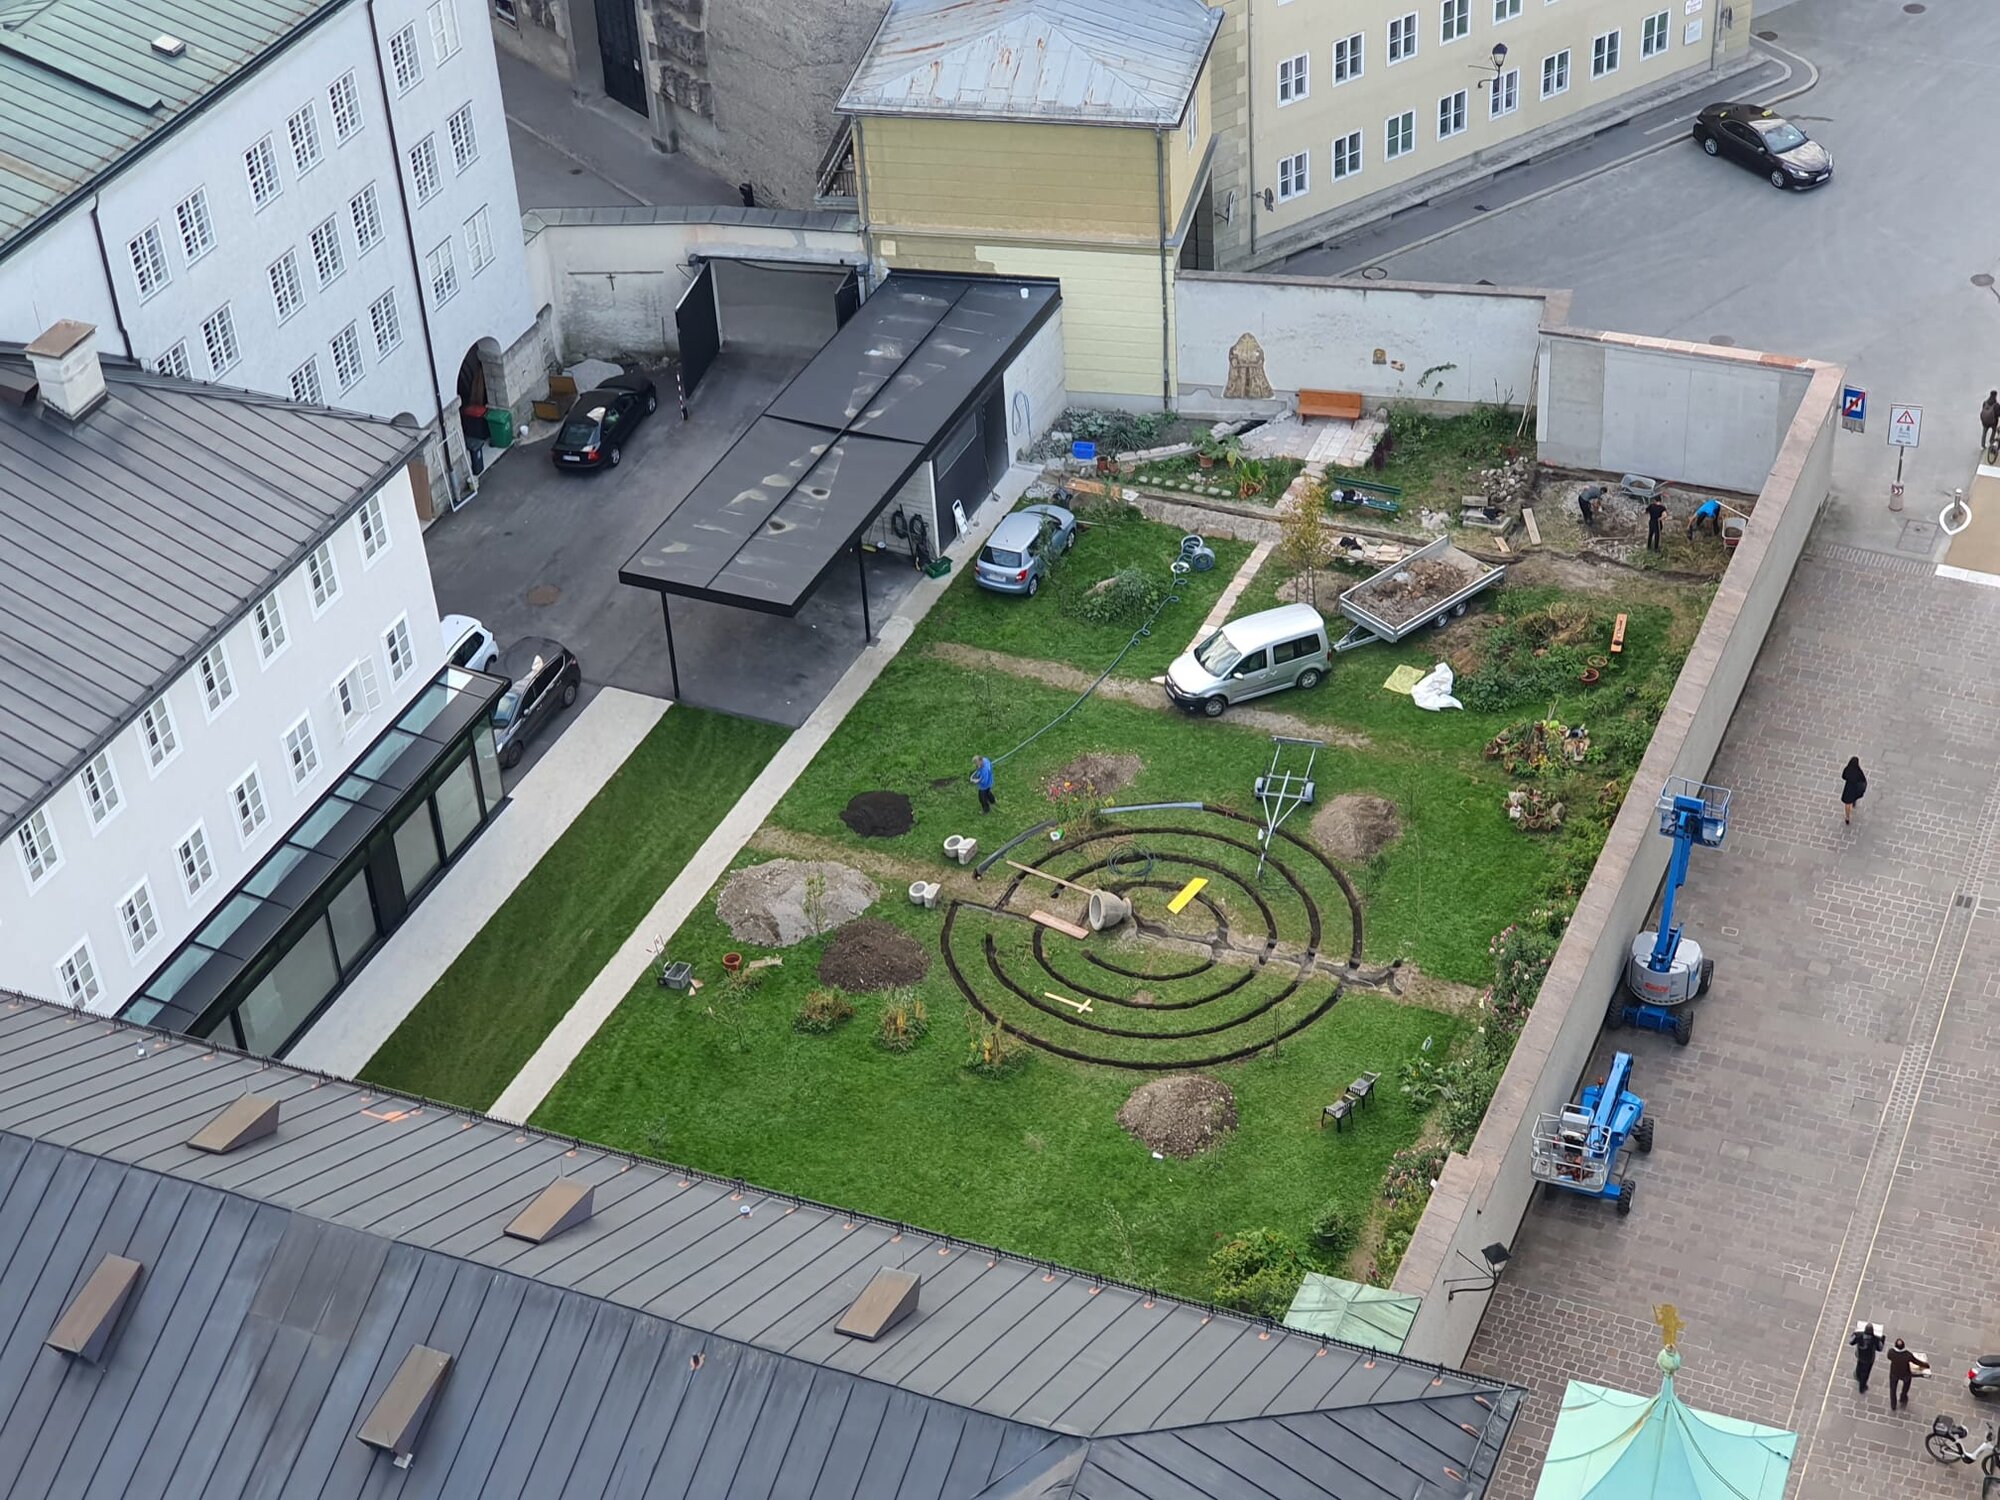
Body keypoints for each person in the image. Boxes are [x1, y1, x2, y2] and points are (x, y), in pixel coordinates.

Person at [1886, 1338, 1928, 1410]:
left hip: (1894, 1373)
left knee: (1893, 1389)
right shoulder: (1907, 1355)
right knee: (1906, 1386)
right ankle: (1903, 1397)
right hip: (1905, 1374)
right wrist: (1925, 1365)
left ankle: (1893, 1405)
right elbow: (1916, 1361)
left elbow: (1889, 1357)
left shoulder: (1891, 1352)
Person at [1849, 1323, 1884, 1394]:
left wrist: (1854, 1334)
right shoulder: (1875, 1339)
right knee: (1865, 1373)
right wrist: (1882, 1340)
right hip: (1869, 1358)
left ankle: (1858, 1376)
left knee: (1859, 1365)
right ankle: (1862, 1387)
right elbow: (1879, 1348)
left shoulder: (1859, 1336)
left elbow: (1851, 1342)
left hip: (1860, 1355)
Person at [1840, 757, 1867, 824]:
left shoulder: (1847, 769)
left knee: (1847, 803)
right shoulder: (1858, 771)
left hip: (1848, 788)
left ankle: (1847, 817)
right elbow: (1863, 779)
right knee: (1852, 799)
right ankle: (1853, 804)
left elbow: (1843, 776)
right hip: (1855, 788)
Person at [1980, 390, 1998, 454]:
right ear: (1995, 396)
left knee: (1984, 433)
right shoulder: (1996, 404)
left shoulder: (1985, 402)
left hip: (1985, 422)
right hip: (1993, 423)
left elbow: (1982, 412)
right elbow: (1998, 414)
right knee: (1994, 431)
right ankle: (1991, 441)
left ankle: (1983, 446)